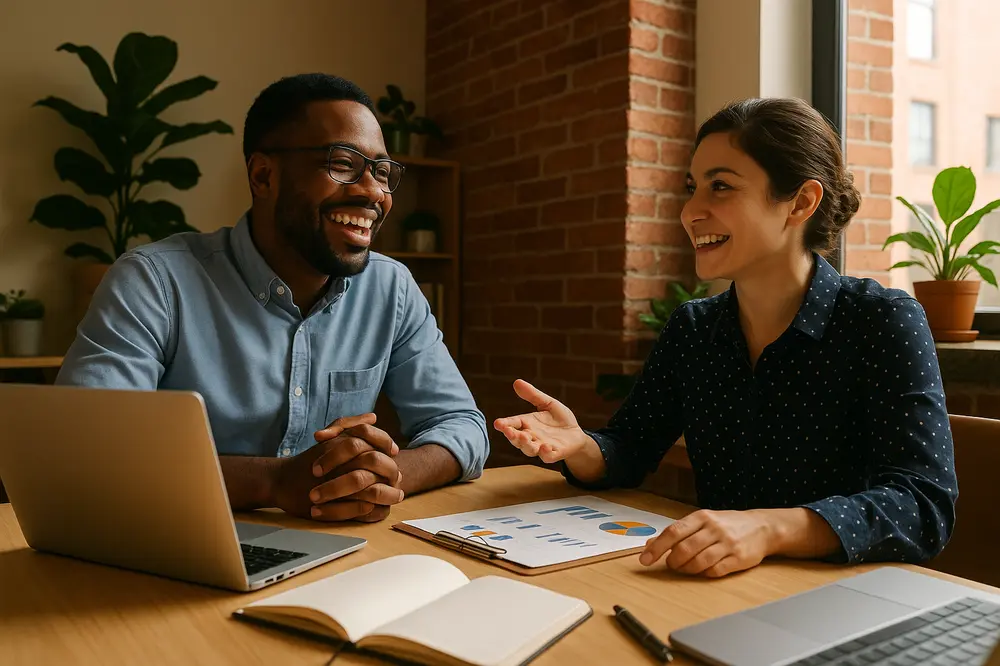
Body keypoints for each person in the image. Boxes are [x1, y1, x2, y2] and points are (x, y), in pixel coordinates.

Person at [494, 97, 957, 578]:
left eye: (720, 187)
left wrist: (769, 529)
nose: (691, 212)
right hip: (713, 589)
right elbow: (630, 450)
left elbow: (922, 505)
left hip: (842, 602)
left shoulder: (882, 321)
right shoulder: (694, 329)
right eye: (692, 188)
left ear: (801, 202)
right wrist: (581, 447)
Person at [56, 73, 489, 524]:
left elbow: (463, 426)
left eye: (381, 172)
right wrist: (274, 482)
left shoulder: (392, 289)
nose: (372, 191)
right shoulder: (154, 282)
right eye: (342, 164)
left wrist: (378, 476)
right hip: (180, 543)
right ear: (263, 175)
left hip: (340, 552)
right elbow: (87, 453)